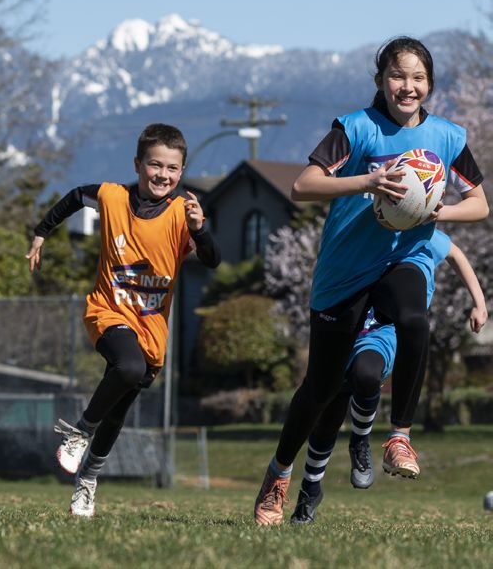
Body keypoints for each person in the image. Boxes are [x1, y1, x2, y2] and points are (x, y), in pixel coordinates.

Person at [254, 36, 489, 526]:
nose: (408, 87)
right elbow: (302, 186)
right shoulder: (356, 128)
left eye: (418, 77)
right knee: (320, 389)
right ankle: (279, 473)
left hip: (404, 257)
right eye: (398, 76)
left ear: (430, 84)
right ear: (381, 81)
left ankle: (400, 435)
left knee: (413, 318)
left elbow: (480, 204)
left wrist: (437, 210)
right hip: (345, 272)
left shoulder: (448, 137)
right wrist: (368, 181)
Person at [26, 123, 221, 517]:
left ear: (181, 172)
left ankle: (87, 481)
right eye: (155, 165)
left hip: (151, 327)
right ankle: (80, 431)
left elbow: (213, 260)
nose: (162, 175)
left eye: (172, 168)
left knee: (119, 406)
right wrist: (41, 232)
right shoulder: (112, 197)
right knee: (128, 367)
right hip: (108, 310)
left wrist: (200, 230)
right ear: (137, 164)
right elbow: (75, 197)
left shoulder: (183, 213)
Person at [290, 230, 488, 524]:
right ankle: (310, 489)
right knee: (329, 415)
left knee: (366, 374)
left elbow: (455, 253)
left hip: (381, 332)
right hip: (344, 328)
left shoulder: (413, 233)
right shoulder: (360, 230)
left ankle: (360, 439)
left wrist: (479, 302)